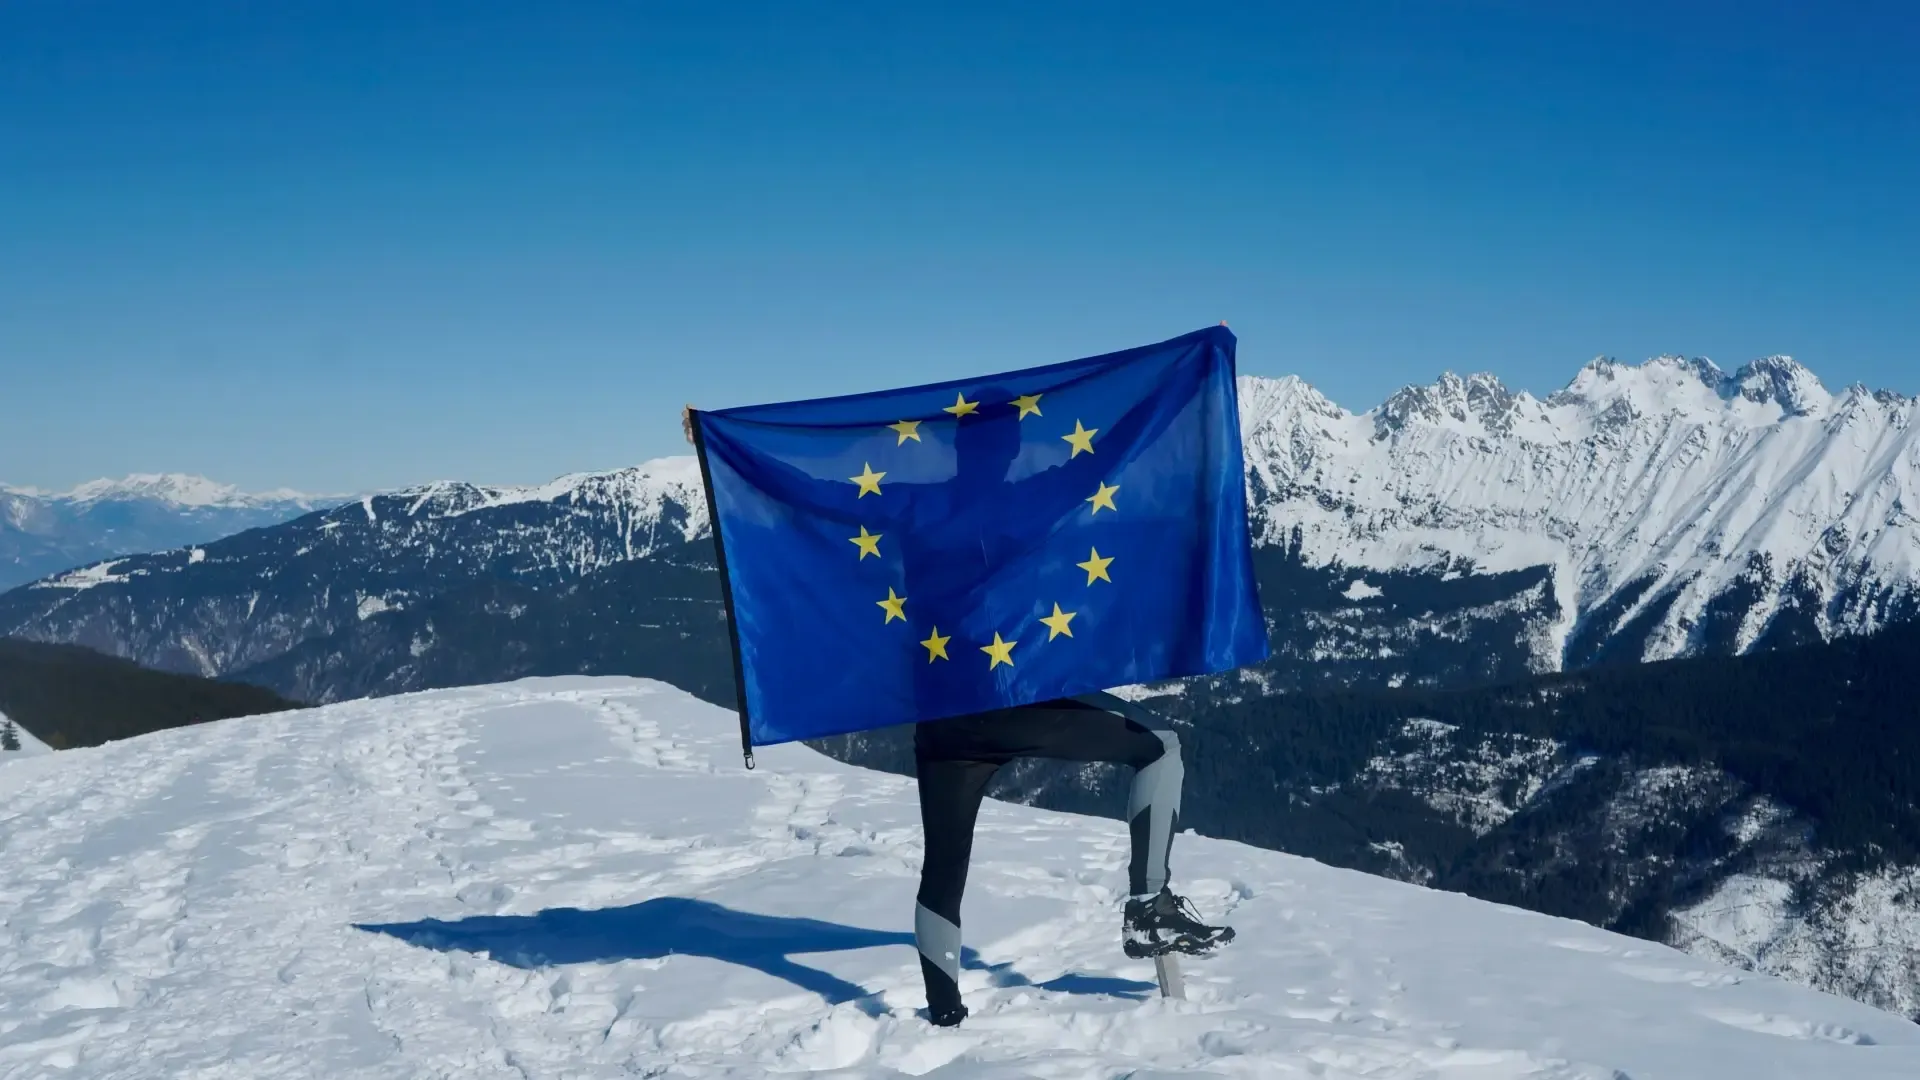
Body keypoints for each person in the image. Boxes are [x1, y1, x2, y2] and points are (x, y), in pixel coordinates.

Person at [911, 691, 1234, 1027]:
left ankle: (944, 1009)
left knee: (942, 864)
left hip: (940, 721)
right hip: (1009, 699)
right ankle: (1150, 908)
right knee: (1161, 746)